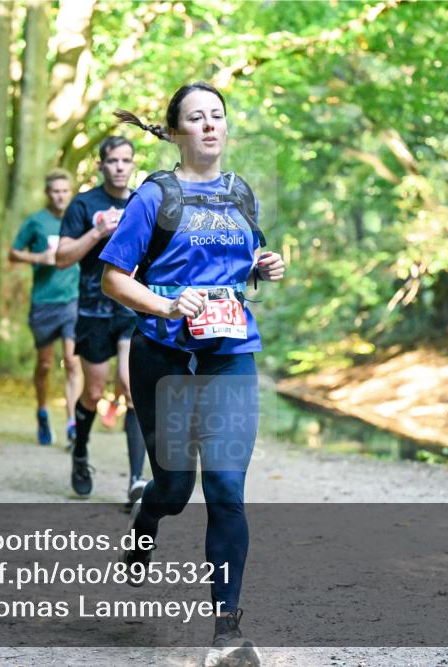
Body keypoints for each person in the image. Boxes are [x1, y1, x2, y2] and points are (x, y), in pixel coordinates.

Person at [99, 82, 286, 667]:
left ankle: (226, 631)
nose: (209, 126)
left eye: (217, 117)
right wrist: (165, 306)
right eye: (196, 118)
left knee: (226, 489)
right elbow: (114, 277)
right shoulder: (155, 196)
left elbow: (242, 258)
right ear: (176, 131)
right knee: (176, 490)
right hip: (164, 357)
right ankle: (145, 519)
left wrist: (265, 263)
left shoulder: (239, 193)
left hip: (230, 354)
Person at [56, 136, 147, 505]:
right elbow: (62, 257)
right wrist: (97, 232)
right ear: (101, 165)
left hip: (130, 307)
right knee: (93, 393)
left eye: (127, 160)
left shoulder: (145, 203)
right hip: (93, 310)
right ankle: (80, 453)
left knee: (131, 387)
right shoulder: (84, 204)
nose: (120, 167)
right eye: (113, 160)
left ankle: (137, 481)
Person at [9, 168, 82, 446]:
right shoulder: (36, 222)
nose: (61, 196)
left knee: (73, 361)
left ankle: (73, 423)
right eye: (56, 191)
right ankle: (42, 411)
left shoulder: (79, 219)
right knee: (45, 364)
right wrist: (38, 257)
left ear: (70, 192)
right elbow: (13, 252)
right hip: (43, 301)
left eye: (65, 190)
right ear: (47, 194)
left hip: (73, 300)